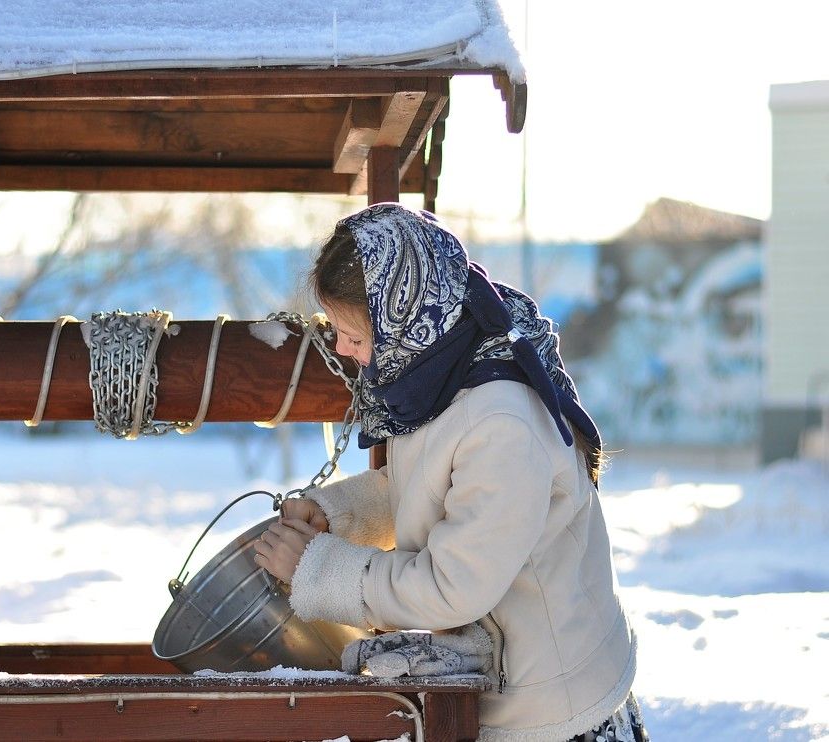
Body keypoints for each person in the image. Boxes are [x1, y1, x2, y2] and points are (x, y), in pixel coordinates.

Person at [253, 203, 648, 742]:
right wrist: (334, 516)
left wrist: (317, 569)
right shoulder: (436, 367)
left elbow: (452, 586)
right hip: (504, 674)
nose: (341, 349)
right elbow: (428, 488)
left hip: (554, 709)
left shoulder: (502, 421)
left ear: (403, 317)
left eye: (354, 335)